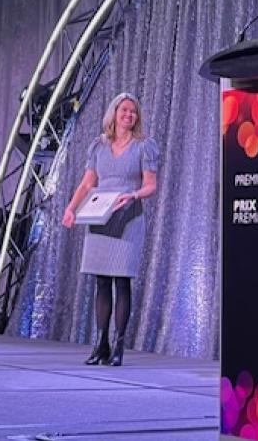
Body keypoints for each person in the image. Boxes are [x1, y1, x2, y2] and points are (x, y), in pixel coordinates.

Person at [62, 92, 159, 366]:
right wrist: (71, 208)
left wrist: (135, 195)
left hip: (128, 217)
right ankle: (100, 344)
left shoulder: (144, 146)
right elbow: (86, 184)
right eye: (124, 110)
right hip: (99, 217)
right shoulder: (98, 146)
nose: (129, 115)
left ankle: (118, 346)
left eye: (133, 111)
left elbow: (151, 185)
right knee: (101, 282)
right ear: (114, 114)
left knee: (121, 280)